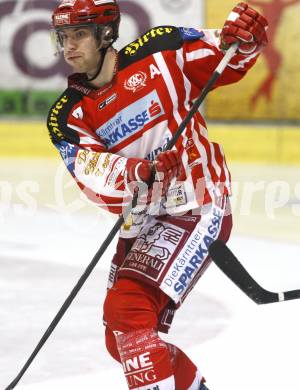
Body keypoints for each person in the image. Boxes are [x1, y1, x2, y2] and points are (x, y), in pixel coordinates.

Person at [47, 1, 268, 389]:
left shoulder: (160, 50)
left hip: (197, 202)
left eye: (79, 34)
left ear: (106, 34)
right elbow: (90, 172)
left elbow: (227, 56)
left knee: (128, 311)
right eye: (63, 37)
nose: (69, 46)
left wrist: (245, 40)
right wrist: (137, 172)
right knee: (120, 338)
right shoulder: (68, 114)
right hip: (144, 219)